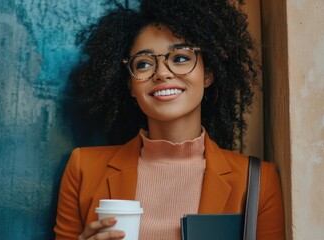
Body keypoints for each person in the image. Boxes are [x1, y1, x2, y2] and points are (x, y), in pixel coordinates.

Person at [54, 0, 285, 239]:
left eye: (181, 58)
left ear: (208, 74)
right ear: (130, 85)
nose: (162, 72)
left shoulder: (257, 182)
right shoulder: (83, 169)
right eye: (143, 63)